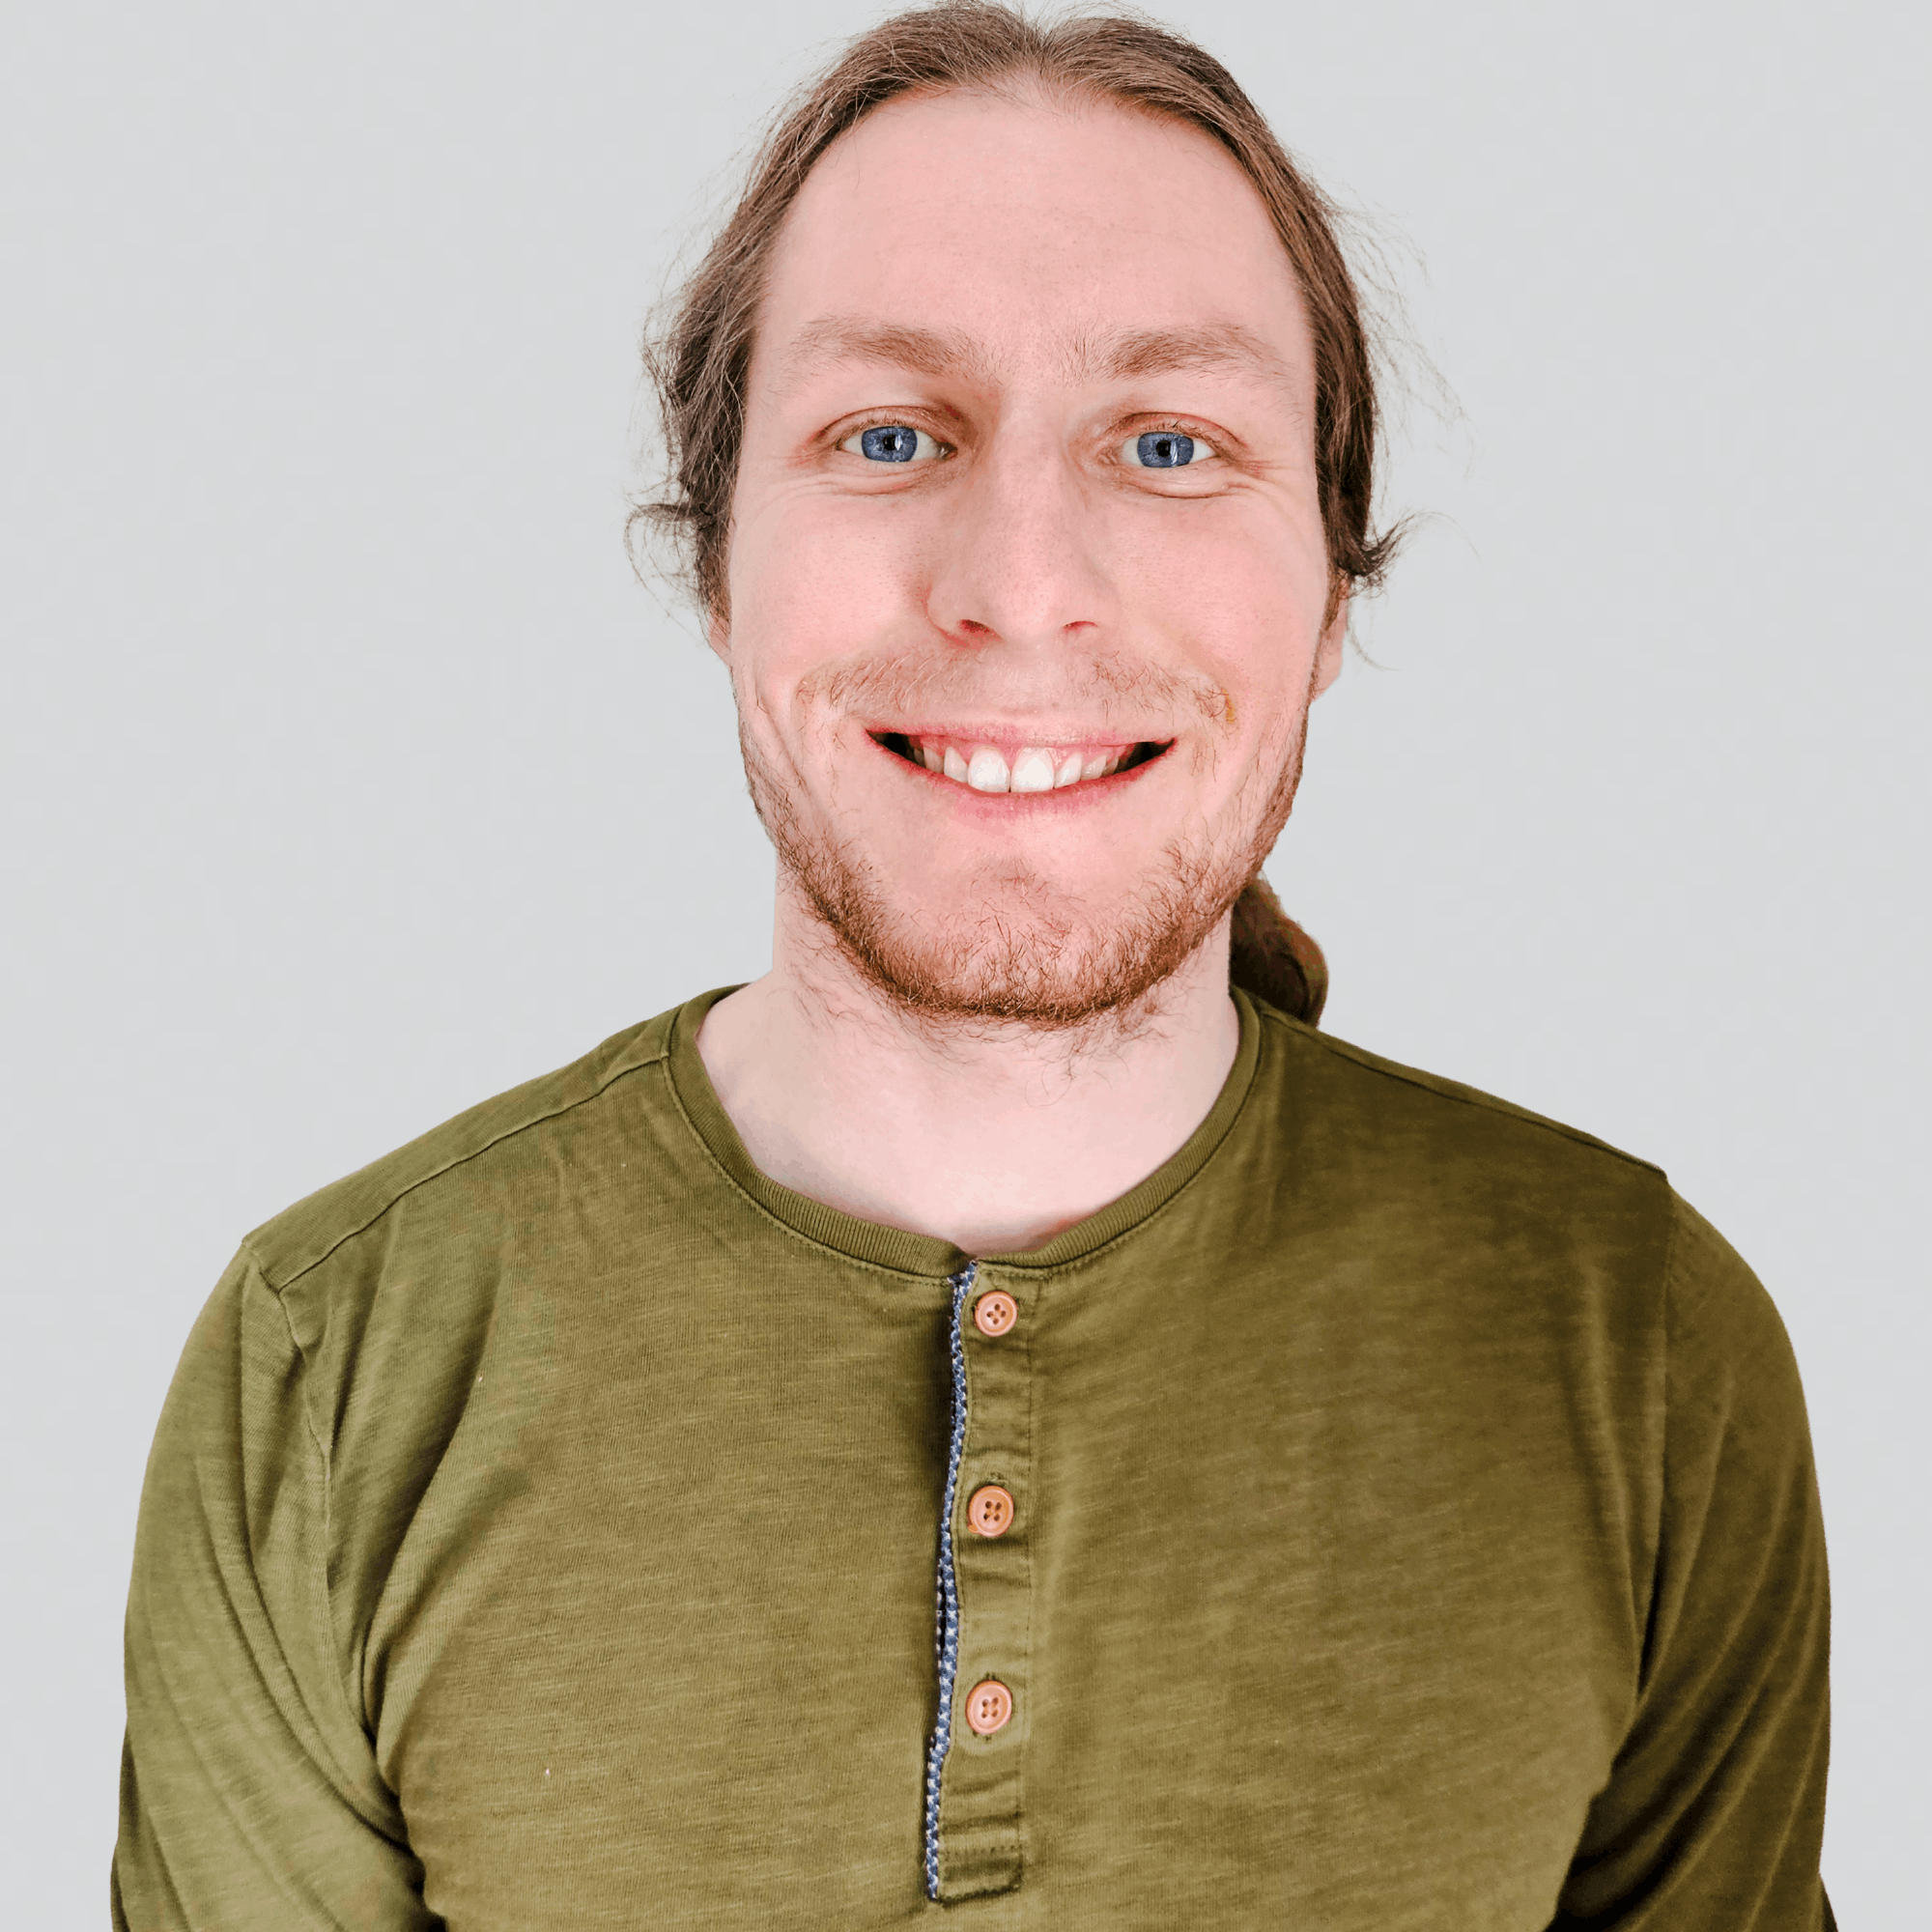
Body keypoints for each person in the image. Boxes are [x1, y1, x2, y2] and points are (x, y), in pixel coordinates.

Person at [112, 6, 1834, 1926]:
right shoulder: (334, 1363)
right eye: (887, 433)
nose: (1018, 579)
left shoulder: (1643, 1353)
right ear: (717, 560)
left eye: (1170, 443)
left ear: (1330, 587)